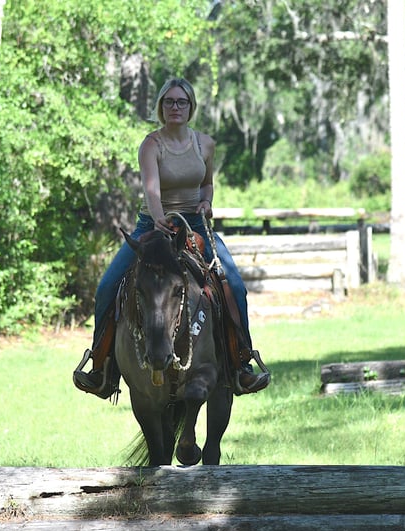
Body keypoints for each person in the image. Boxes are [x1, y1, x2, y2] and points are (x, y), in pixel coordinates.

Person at [73, 77, 269, 400]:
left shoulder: (204, 144)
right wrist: (159, 216)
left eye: (181, 102)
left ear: (191, 107)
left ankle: (241, 364)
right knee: (108, 286)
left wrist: (207, 202)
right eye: (168, 102)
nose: (174, 107)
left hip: (194, 224)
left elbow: (207, 184)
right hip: (153, 224)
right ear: (161, 107)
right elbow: (151, 189)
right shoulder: (151, 144)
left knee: (234, 285)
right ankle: (100, 368)